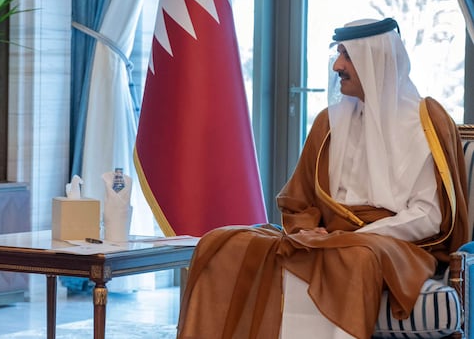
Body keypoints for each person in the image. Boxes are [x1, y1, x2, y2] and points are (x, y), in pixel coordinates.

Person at [176, 18, 469, 339]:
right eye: (338, 54)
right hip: (324, 238)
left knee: (353, 257)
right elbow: (298, 200)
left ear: (376, 61)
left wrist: (356, 236)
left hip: (395, 245)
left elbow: (429, 216)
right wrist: (308, 230)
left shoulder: (424, 120)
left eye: (348, 56)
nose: (337, 66)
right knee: (227, 243)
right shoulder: (329, 123)